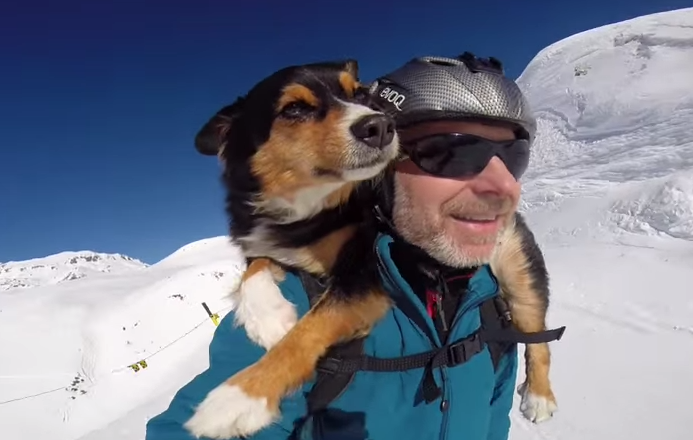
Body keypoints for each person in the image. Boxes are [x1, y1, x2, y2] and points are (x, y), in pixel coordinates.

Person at [146, 52, 539, 440]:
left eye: (514, 155)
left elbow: (492, 424)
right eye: (452, 153)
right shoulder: (295, 298)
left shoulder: (489, 302)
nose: (503, 187)